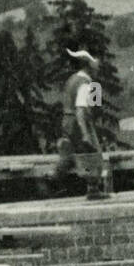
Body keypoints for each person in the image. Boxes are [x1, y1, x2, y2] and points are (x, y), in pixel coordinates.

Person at [57, 49, 107, 197]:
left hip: (67, 122)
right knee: (93, 154)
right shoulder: (85, 83)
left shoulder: (73, 79)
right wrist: (86, 134)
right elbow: (81, 109)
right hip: (79, 123)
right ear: (88, 65)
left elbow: (93, 104)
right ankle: (93, 190)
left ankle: (54, 177)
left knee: (70, 156)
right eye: (96, 63)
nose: (98, 66)